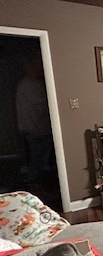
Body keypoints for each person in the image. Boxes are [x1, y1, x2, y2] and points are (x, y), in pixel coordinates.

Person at [15, 56, 55, 185]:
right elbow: (42, 105)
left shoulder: (37, 83)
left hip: (40, 128)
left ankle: (38, 181)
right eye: (37, 66)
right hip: (35, 128)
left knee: (43, 157)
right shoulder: (27, 85)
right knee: (37, 158)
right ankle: (32, 183)